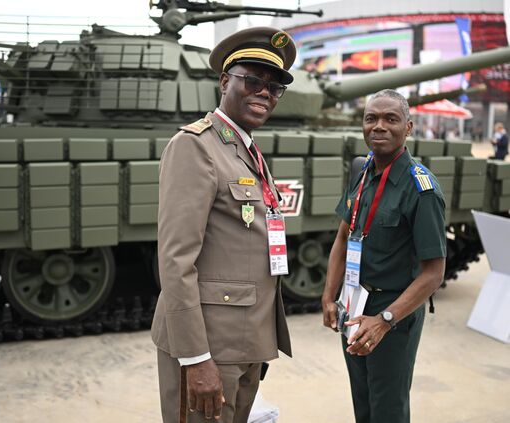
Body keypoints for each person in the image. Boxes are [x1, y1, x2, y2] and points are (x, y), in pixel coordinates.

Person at [151, 27, 296, 423]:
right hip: (209, 348)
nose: (264, 92)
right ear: (224, 81)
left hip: (247, 343)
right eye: (252, 80)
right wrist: (196, 358)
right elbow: (176, 261)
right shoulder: (195, 146)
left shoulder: (244, 148)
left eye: (274, 87)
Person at [322, 89, 446, 423]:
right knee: (363, 404)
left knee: (387, 409)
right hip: (355, 307)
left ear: (408, 127)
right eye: (371, 118)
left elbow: (433, 274)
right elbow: (342, 238)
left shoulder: (422, 189)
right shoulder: (363, 173)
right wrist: (329, 295)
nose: (379, 126)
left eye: (390, 119)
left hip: (393, 316)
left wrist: (384, 321)